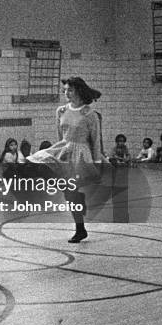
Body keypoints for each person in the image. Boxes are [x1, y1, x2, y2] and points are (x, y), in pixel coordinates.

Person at [27, 76, 103, 243]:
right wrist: (60, 151)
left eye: (70, 90)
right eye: (65, 90)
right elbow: (60, 135)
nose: (66, 93)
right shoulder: (60, 111)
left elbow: (96, 140)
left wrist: (97, 163)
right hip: (64, 150)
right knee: (37, 163)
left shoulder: (89, 113)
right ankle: (80, 222)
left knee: (70, 192)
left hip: (81, 153)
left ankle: (80, 228)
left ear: (79, 91)